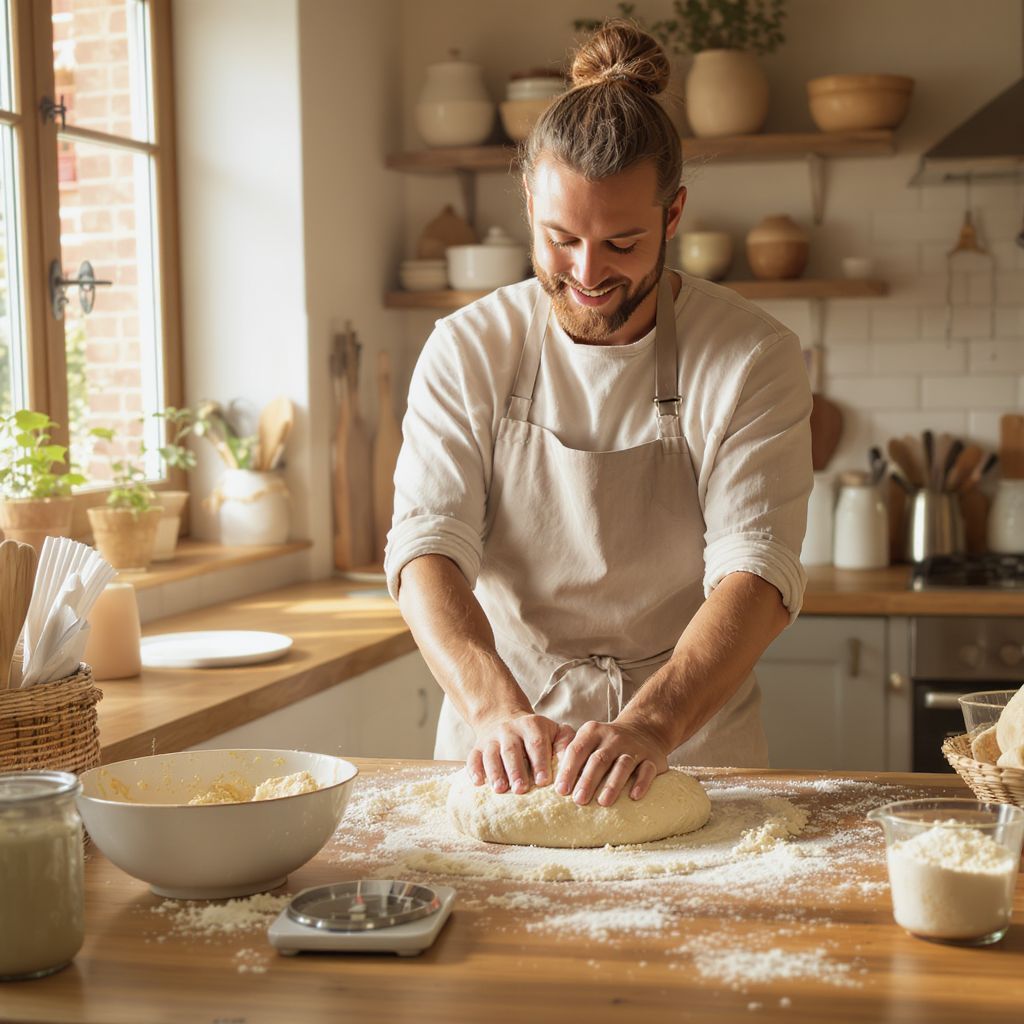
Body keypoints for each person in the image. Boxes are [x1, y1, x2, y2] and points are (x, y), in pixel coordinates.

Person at [384, 21, 812, 812]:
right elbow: (426, 550)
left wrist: (650, 726)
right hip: (506, 744)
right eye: (561, 239)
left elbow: (757, 574)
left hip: (687, 746)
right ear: (528, 205)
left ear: (673, 215)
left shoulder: (752, 356)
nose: (587, 273)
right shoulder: (469, 347)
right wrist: (493, 710)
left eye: (621, 242)